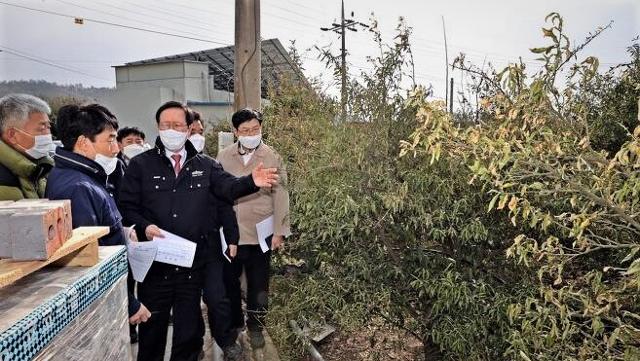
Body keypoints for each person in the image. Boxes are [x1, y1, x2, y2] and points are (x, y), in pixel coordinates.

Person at [118, 101, 279, 361]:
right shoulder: (141, 166)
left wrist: (252, 182)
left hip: (191, 265)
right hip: (155, 266)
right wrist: (144, 226)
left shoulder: (205, 165)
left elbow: (228, 188)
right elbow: (126, 206)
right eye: (165, 125)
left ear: (188, 127)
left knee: (188, 333)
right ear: (158, 127)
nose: (171, 130)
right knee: (153, 333)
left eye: (178, 125)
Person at [44, 103, 151, 327]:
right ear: (84, 143)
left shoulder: (82, 177)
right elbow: (90, 258)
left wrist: (119, 231)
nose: (116, 149)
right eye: (110, 140)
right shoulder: (78, 187)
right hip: (101, 304)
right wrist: (130, 303)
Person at [217, 108, 291, 349]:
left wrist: (279, 231)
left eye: (255, 129)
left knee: (259, 285)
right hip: (230, 234)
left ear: (261, 128)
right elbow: (217, 192)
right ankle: (235, 323)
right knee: (229, 282)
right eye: (245, 130)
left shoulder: (272, 156)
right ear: (236, 132)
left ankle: (256, 326)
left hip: (261, 232)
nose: (251, 134)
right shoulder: (224, 156)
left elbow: (281, 194)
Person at [0, 94, 55, 200]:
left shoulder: (39, 170)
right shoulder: (4, 183)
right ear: (12, 135)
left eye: (49, 127)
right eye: (42, 128)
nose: (48, 135)